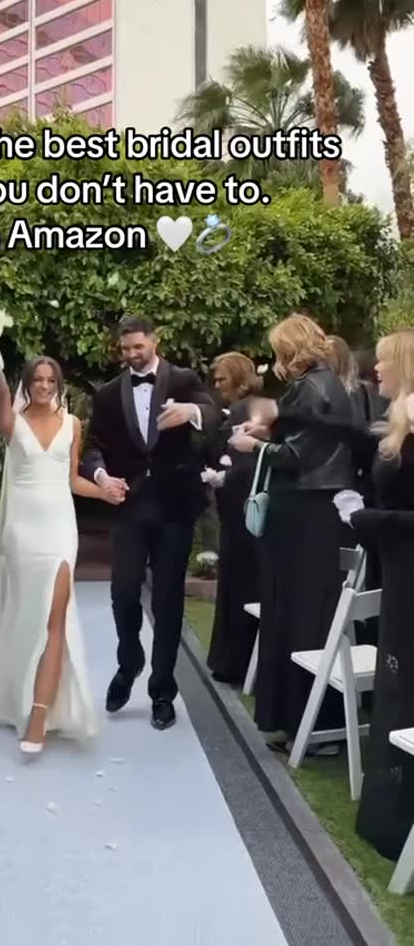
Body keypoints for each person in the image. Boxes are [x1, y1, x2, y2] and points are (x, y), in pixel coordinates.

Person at [243, 330, 414, 861]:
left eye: (383, 362)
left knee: (390, 677)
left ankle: (391, 812)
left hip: (379, 553)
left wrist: (363, 517)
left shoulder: (329, 392)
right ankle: (386, 810)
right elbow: (349, 440)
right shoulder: (390, 416)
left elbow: (314, 453)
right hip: (388, 559)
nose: (373, 371)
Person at [81, 315, 220, 731]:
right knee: (123, 592)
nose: (131, 355)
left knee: (167, 601)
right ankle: (130, 662)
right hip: (129, 506)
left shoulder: (183, 379)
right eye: (125, 349)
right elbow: (93, 446)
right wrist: (101, 476)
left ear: (154, 342)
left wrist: (190, 411)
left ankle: (162, 691)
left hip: (175, 506)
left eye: (138, 347)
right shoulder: (109, 393)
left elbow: (214, 414)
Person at [0, 347, 122, 756]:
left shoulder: (73, 424)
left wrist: (104, 491)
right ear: (27, 384)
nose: (44, 386)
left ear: (58, 385)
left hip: (61, 530)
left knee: (55, 621)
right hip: (22, 533)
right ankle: (19, 695)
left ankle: (40, 715)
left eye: (51, 380)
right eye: (38, 380)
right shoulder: (13, 422)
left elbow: (72, 480)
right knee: (27, 618)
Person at [230, 313, 353, 750]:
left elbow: (298, 456)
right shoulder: (321, 385)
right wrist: (266, 432)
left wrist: (256, 445)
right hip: (306, 513)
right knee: (300, 615)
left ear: (290, 349)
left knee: (302, 618)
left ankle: (310, 727)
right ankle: (300, 723)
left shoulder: (314, 387)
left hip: (306, 514)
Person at [206, 352, 263, 685]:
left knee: (238, 584)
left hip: (241, 513)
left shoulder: (244, 410)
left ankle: (233, 662)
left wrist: (224, 476)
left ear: (238, 378)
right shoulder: (252, 407)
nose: (217, 385)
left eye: (222, 379)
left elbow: (250, 461)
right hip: (240, 512)